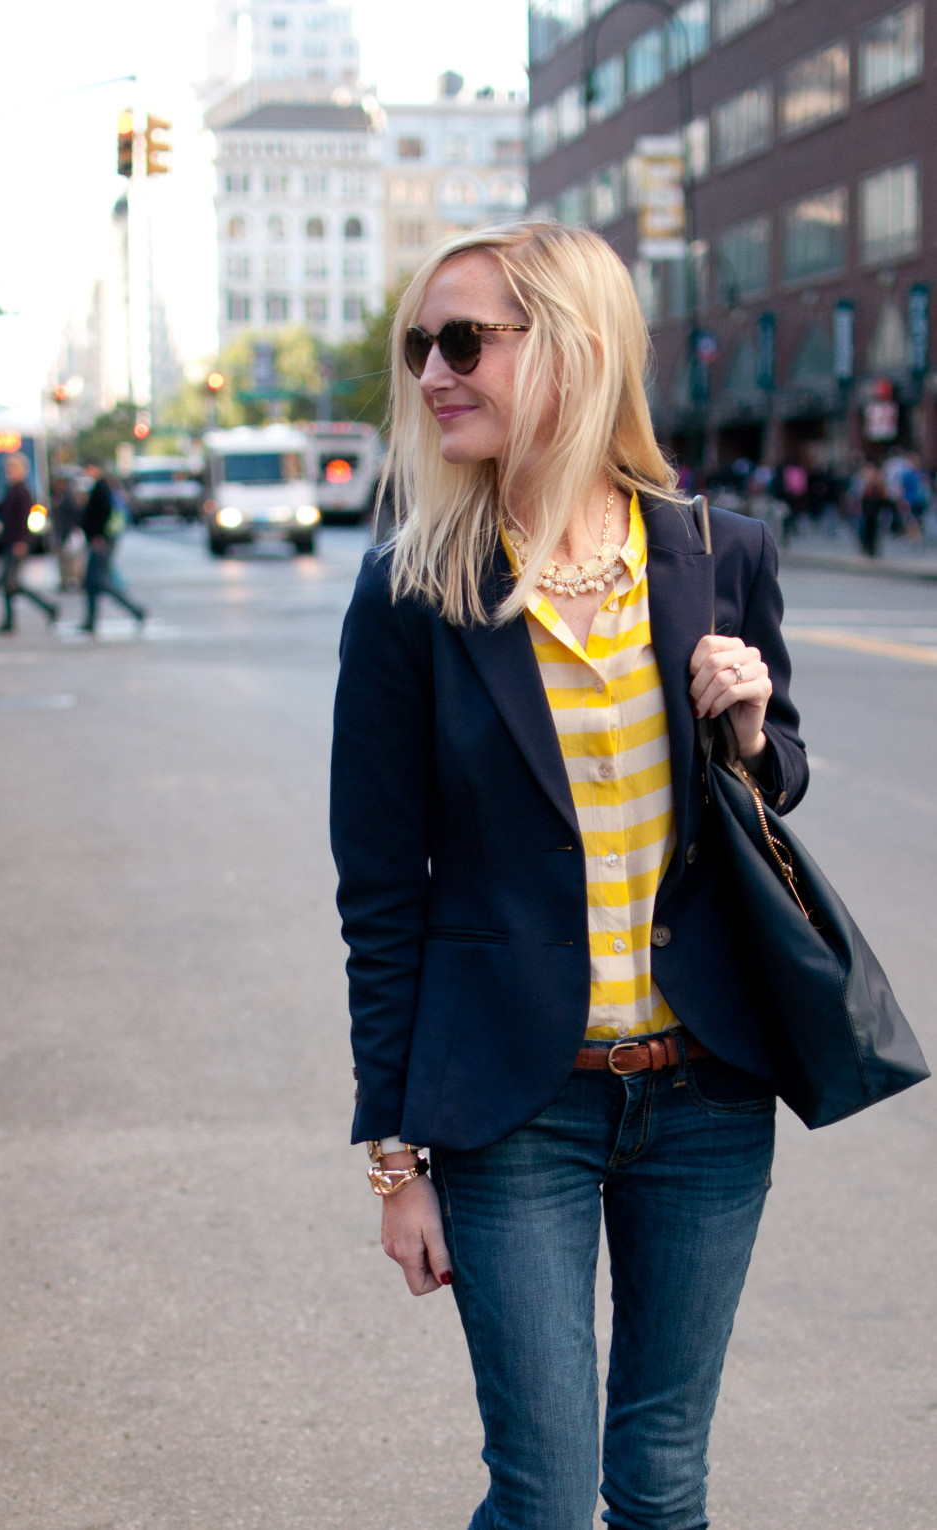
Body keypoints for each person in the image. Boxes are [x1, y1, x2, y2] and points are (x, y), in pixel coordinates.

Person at [331, 223, 810, 1530]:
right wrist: (396, 1158)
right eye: (421, 344)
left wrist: (755, 726)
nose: (435, 370)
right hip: (511, 1107)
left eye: (467, 339)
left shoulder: (722, 554)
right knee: (541, 1496)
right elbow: (382, 893)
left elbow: (775, 792)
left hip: (708, 1090)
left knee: (661, 1485)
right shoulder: (408, 593)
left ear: (577, 347)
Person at [79, 461, 147, 633]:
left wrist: (98, 536)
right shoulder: (102, 487)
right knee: (92, 584)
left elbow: (101, 514)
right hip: (100, 541)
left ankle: (135, 610)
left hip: (100, 542)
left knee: (101, 582)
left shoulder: (100, 488)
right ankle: (91, 621)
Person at [0, 454, 59, 633]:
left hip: (17, 542)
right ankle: (14, 619)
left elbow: (24, 519)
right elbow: (1, 510)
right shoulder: (12, 489)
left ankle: (44, 608)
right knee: (10, 584)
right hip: (10, 540)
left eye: (12, 469)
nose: (8, 473)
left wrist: (21, 541)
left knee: (11, 583)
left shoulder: (22, 491)